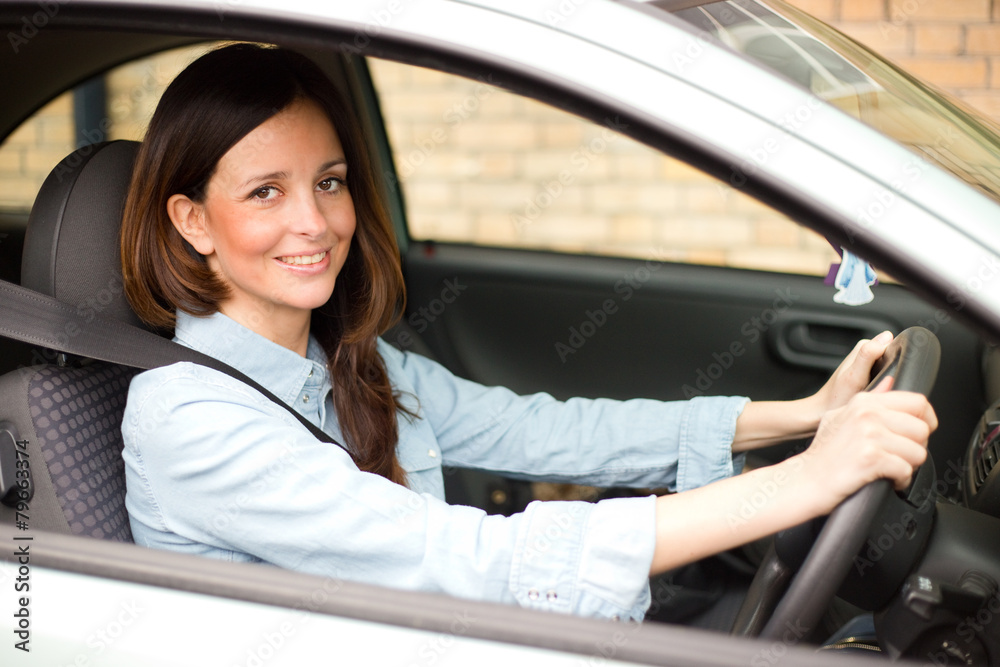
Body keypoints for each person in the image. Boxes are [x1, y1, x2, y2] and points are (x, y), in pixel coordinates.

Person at [119, 43, 936, 621]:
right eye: (266, 192)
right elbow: (472, 559)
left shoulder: (345, 361)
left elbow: (546, 427)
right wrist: (800, 484)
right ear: (191, 220)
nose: (316, 222)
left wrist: (802, 417)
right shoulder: (188, 418)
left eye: (329, 182)